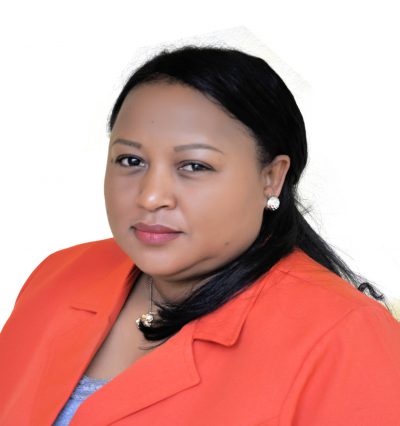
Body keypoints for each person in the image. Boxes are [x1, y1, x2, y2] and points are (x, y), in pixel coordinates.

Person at [1, 45, 400, 426]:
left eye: (194, 166)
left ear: (272, 176)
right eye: (131, 160)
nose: (151, 196)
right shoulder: (61, 274)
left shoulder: (346, 337)